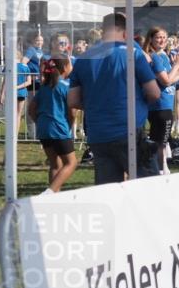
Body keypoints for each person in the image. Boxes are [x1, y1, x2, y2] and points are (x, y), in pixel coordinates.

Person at [68, 12, 161, 184]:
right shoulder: (133, 54)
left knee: (108, 191)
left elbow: (73, 101)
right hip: (129, 131)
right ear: (125, 31)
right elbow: (154, 92)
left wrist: (97, 104)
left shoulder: (82, 59)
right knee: (149, 188)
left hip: (98, 134)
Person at [28, 56, 78, 194]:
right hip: (59, 129)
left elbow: (31, 109)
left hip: (44, 131)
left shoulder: (44, 87)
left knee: (55, 164)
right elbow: (72, 112)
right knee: (71, 162)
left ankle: (54, 196)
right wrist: (69, 125)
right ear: (65, 68)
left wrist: (40, 122)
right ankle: (49, 192)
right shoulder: (65, 87)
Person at [144, 27, 179, 174]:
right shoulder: (154, 57)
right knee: (160, 142)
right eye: (158, 37)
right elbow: (166, 81)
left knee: (161, 141)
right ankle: (161, 171)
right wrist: (177, 65)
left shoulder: (164, 56)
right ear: (151, 39)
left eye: (164, 37)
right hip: (159, 106)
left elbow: (170, 80)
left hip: (165, 104)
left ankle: (159, 169)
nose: (162, 40)